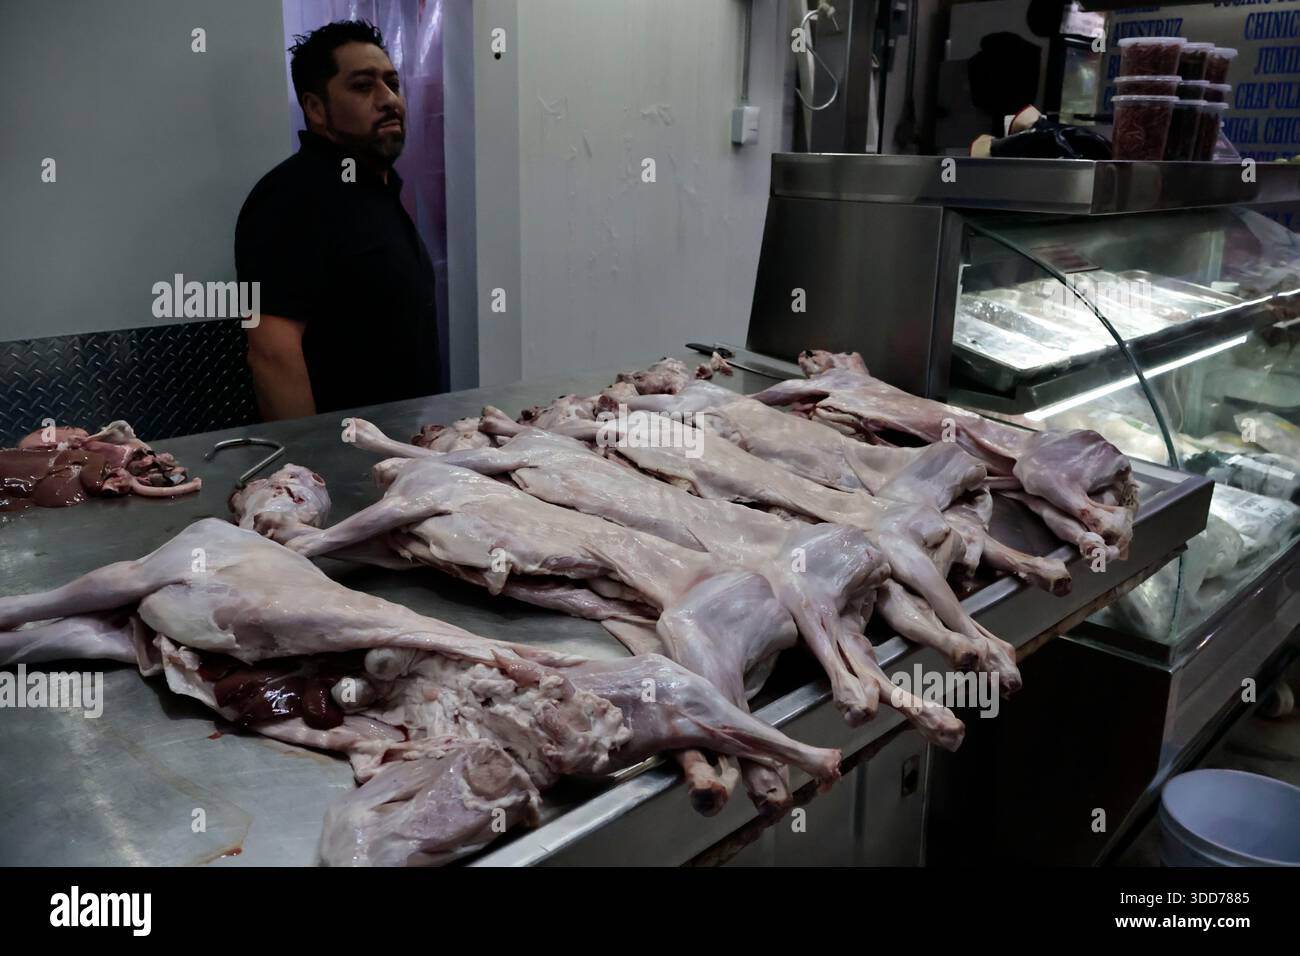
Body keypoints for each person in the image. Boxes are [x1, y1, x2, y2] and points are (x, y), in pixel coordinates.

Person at [235, 20, 440, 419]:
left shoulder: (374, 191)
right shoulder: (293, 196)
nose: (388, 99)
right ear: (316, 108)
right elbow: (273, 353)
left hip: (402, 457)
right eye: (363, 86)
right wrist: (314, 467)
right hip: (344, 465)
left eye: (392, 84)